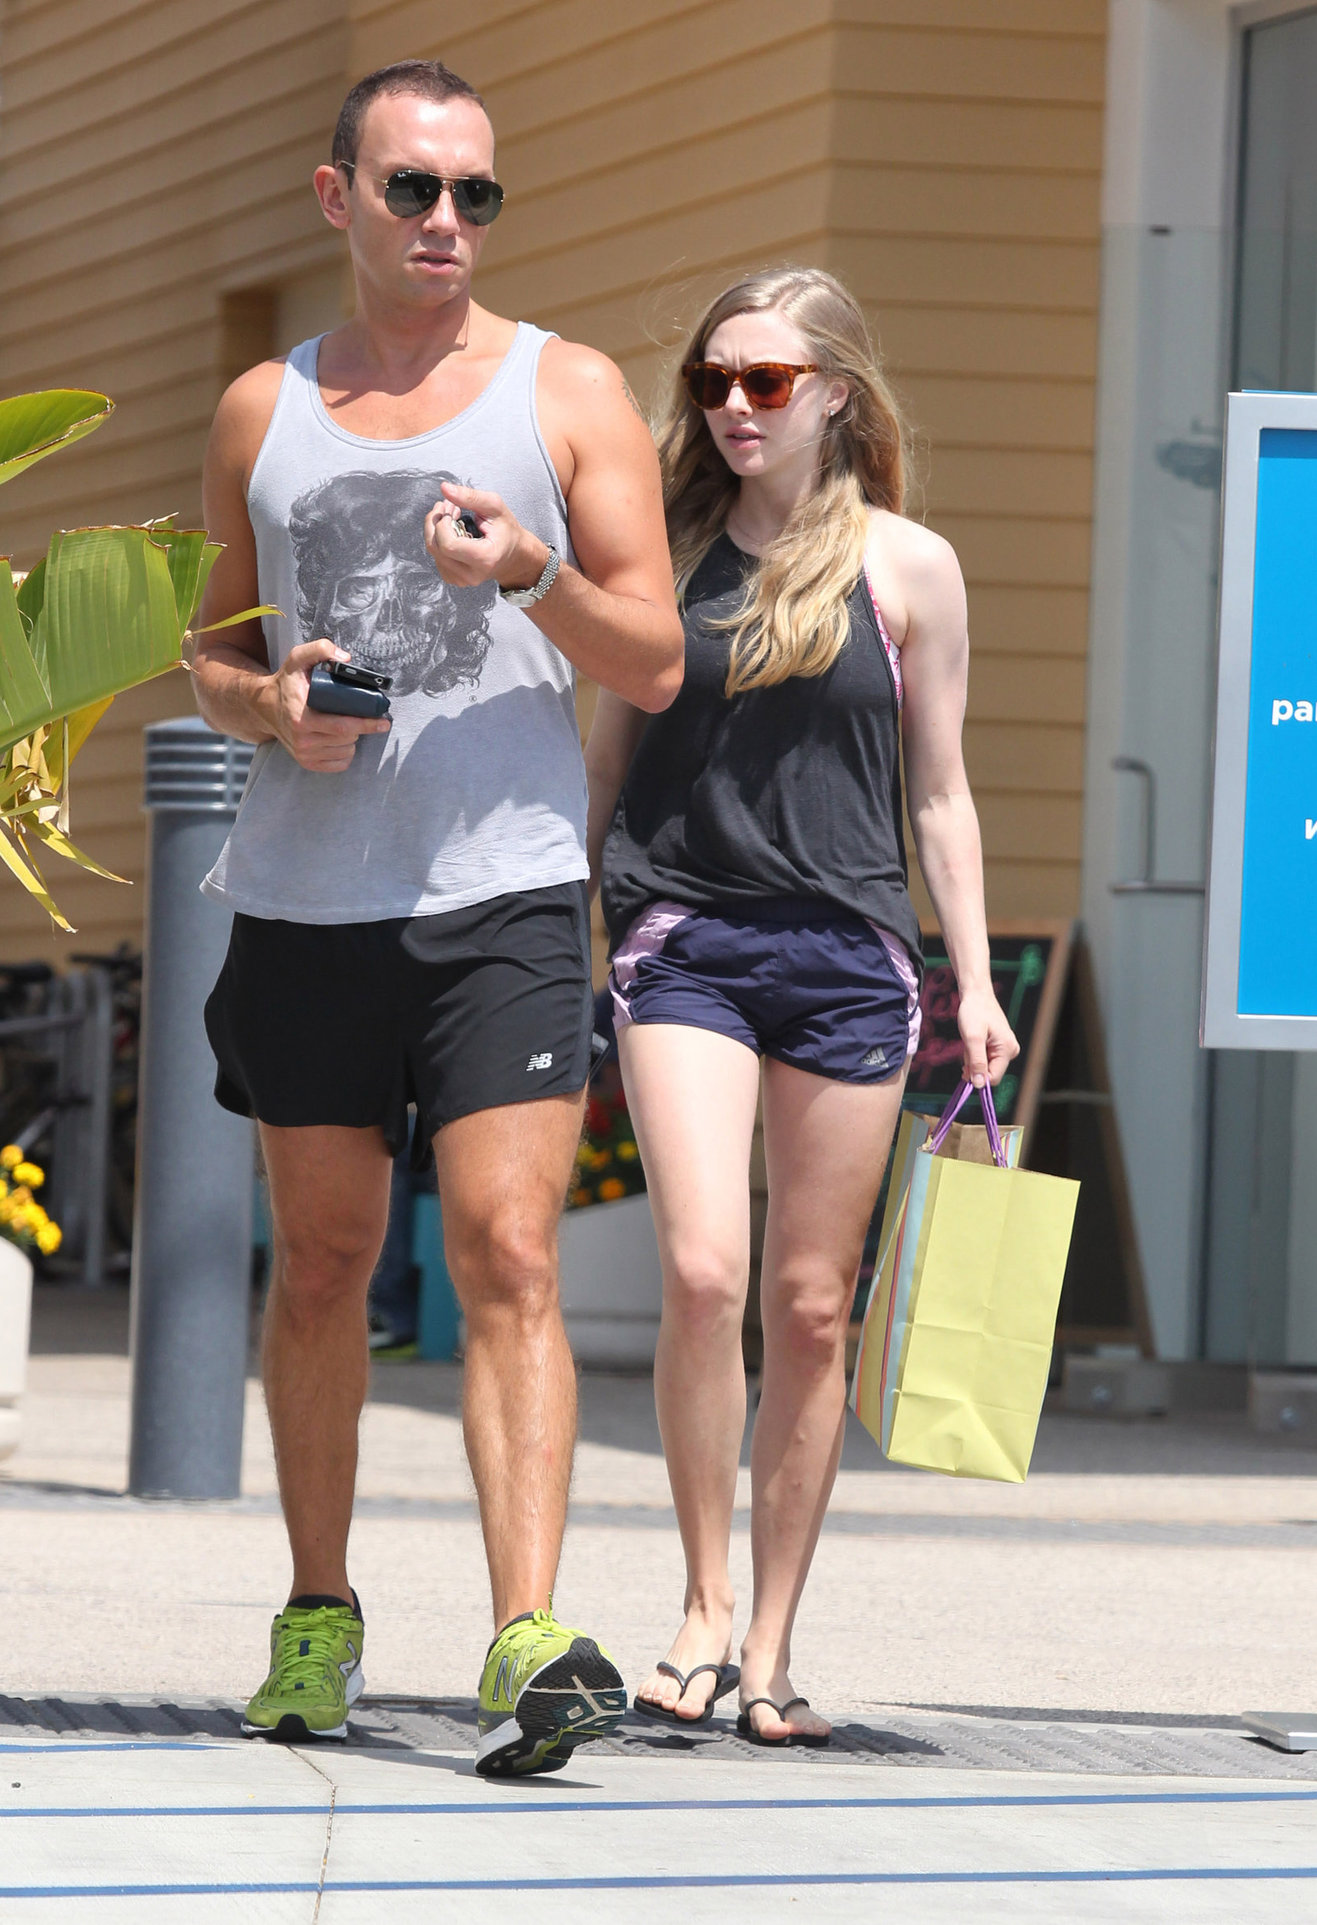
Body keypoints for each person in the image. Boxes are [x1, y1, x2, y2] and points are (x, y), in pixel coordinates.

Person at [191, 58, 682, 1777]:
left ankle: (526, 1633)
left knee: (510, 1250)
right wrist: (273, 707)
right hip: (312, 896)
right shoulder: (265, 407)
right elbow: (210, 649)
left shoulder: (568, 391)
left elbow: (659, 655)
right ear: (342, 199)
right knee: (323, 1262)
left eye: (478, 195)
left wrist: (531, 576)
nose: (450, 225)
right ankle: (317, 1611)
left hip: (507, 888)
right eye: (416, 191)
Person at [584, 265, 1018, 1746]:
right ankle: (700, 1607)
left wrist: (973, 978)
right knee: (705, 1272)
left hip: (849, 955)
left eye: (764, 380)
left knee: (811, 1307)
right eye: (714, 380)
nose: (731, 405)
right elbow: (601, 755)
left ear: (835, 392)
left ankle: (769, 1643)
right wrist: (577, 913)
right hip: (682, 940)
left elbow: (942, 792)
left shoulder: (909, 568)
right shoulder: (661, 551)